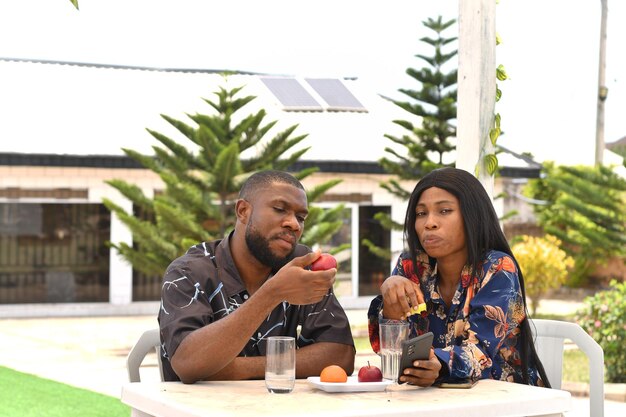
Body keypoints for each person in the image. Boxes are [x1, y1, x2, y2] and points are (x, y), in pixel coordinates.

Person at [159, 170, 355, 383]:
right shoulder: (189, 271)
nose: (294, 224)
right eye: (280, 209)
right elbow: (187, 364)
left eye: (301, 217)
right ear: (243, 211)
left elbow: (340, 356)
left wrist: (234, 369)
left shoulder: (302, 266)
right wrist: (273, 293)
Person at [368, 167, 550, 388]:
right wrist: (390, 307)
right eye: (421, 213)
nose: (429, 223)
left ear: (472, 216)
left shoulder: (497, 268)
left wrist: (440, 366)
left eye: (444, 211)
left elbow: (481, 352)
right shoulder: (412, 267)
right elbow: (391, 352)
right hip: (435, 400)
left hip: (506, 399)